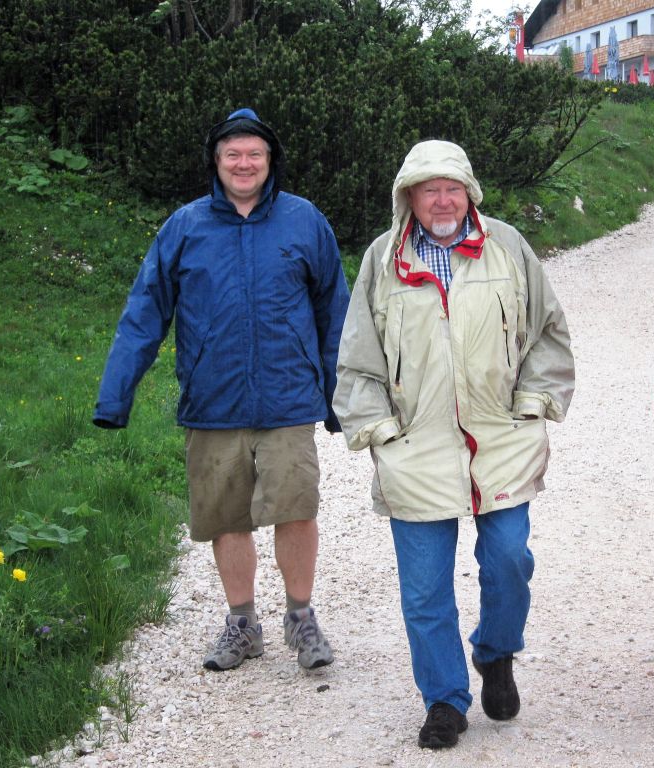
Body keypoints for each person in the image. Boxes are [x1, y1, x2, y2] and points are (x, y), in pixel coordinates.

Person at [333, 140, 575, 749]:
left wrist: (532, 406)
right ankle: (444, 698)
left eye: (452, 188)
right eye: (427, 189)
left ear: (470, 192)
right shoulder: (381, 260)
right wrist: (380, 432)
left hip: (500, 438)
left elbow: (547, 333)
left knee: (510, 560)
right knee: (424, 588)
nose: (442, 200)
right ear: (407, 198)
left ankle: (496, 652)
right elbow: (358, 358)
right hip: (416, 446)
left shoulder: (508, 245)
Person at [93, 107, 349, 672]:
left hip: (287, 400)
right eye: (232, 153)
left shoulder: (305, 221)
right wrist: (115, 400)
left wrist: (340, 399)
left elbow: (336, 314)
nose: (243, 163)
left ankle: (301, 618)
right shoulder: (184, 228)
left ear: (269, 161)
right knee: (225, 517)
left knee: (296, 508)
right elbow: (144, 314)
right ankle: (242, 623)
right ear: (216, 162)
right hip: (212, 403)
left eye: (254, 153)